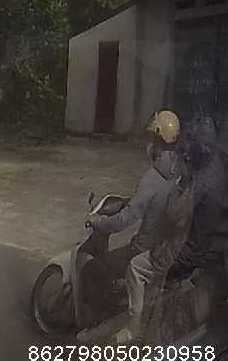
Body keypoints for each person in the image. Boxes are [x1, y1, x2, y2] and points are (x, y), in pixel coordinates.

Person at [122, 115, 227, 343]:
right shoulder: (218, 167)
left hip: (186, 251)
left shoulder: (198, 182)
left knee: (136, 267)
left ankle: (133, 328)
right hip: (205, 244)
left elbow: (173, 214)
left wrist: (180, 186)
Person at [78, 111, 180, 343]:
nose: (148, 144)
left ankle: (95, 323)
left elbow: (125, 221)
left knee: (92, 270)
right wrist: (129, 201)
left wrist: (99, 221)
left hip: (143, 249)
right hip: (165, 246)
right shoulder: (178, 172)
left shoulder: (151, 178)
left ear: (157, 141)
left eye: (151, 139)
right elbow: (151, 204)